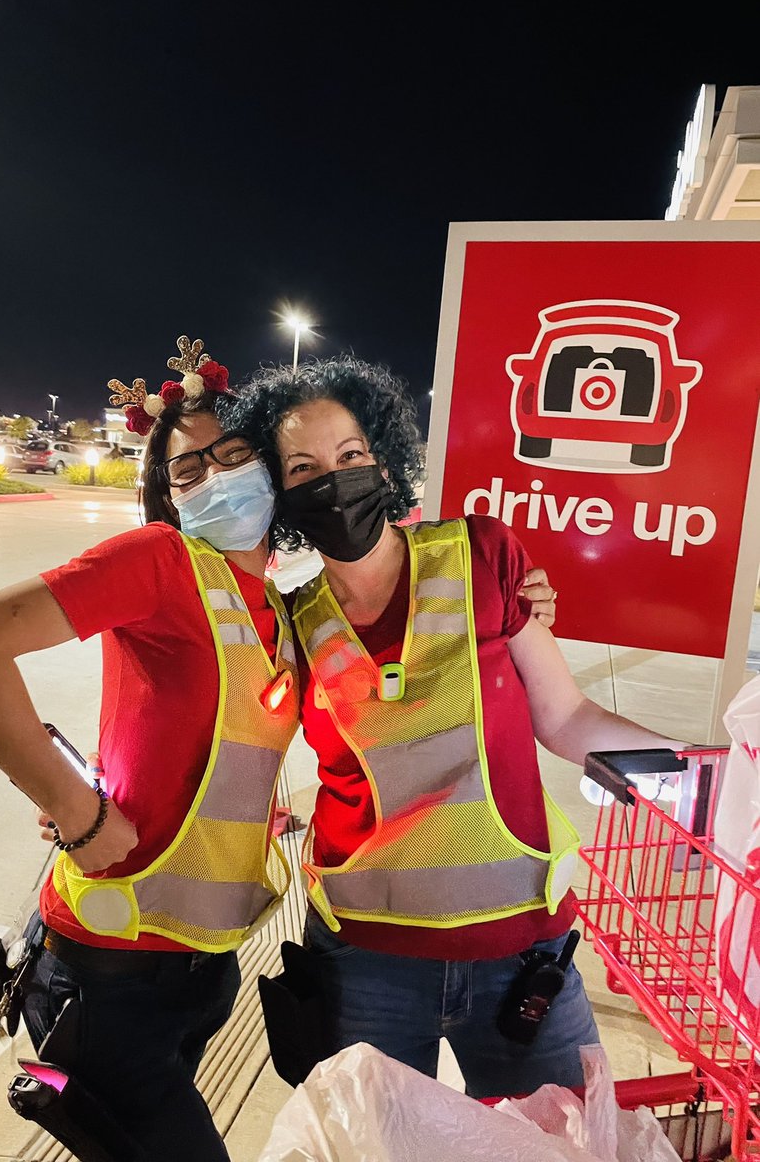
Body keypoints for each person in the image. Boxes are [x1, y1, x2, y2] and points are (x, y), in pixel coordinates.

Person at [225, 355, 689, 1099]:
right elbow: (240, 755)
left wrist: (693, 774)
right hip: (366, 963)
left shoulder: (483, 554)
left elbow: (566, 717)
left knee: (566, 1149)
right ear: (280, 493)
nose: (333, 479)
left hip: (523, 958)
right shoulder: (289, 621)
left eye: (350, 456)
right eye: (304, 468)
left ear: (383, 459)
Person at [0, 338, 300, 1162]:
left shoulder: (271, 602)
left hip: (201, 961)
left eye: (233, 454)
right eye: (187, 471)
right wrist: (76, 812)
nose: (214, 477)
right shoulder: (162, 560)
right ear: (164, 495)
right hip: (108, 967)